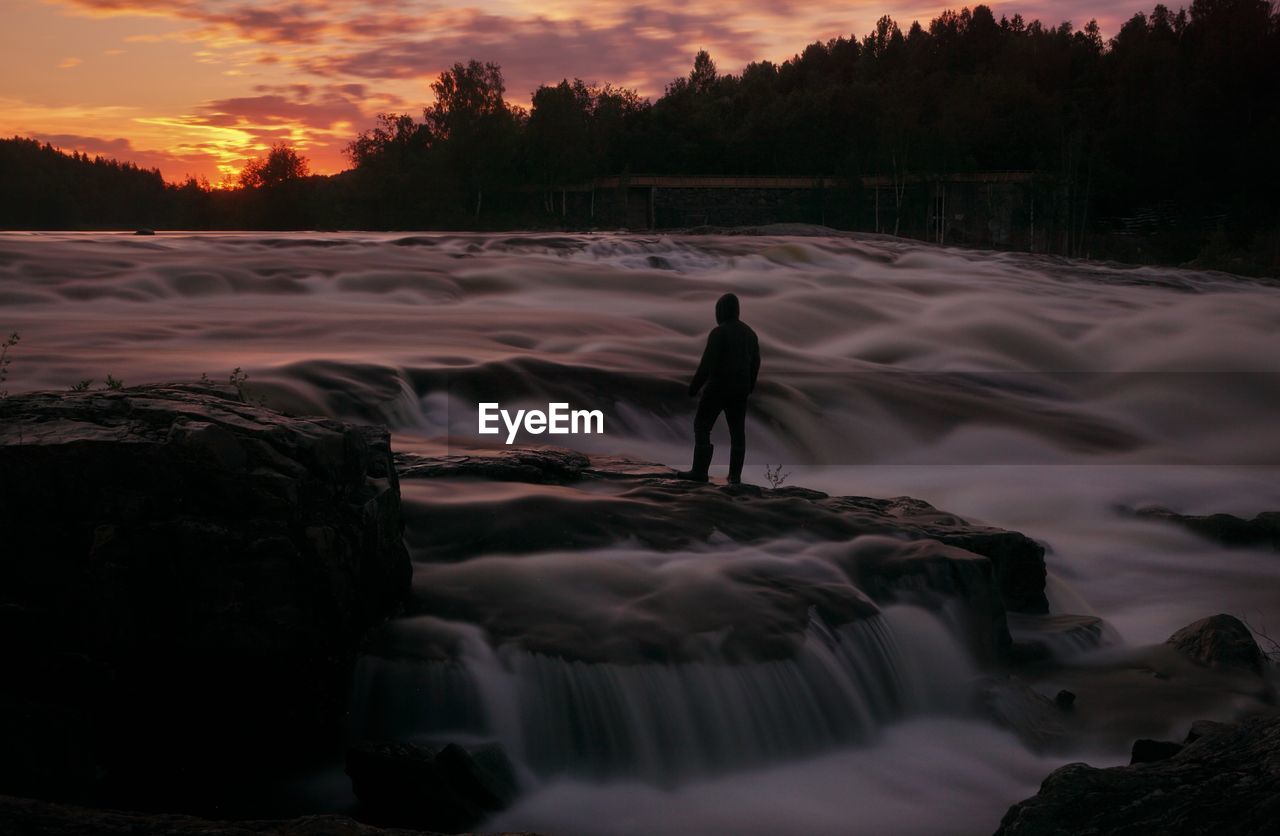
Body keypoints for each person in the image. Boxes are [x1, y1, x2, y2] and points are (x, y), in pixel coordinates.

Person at [676, 292, 760, 484]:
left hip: (718, 387)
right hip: (740, 389)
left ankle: (699, 471)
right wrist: (749, 387)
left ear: (721, 311)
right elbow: (756, 364)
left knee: (702, 426)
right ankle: (735, 476)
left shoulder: (719, 333)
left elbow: (707, 364)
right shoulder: (750, 334)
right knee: (737, 432)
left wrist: (694, 388)